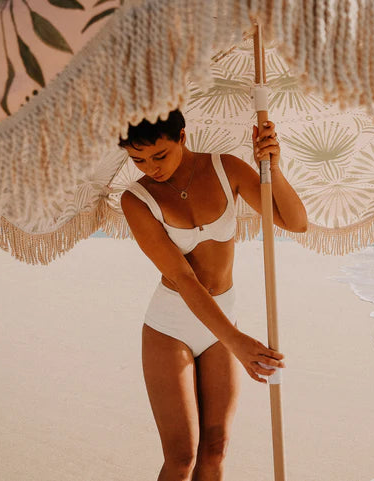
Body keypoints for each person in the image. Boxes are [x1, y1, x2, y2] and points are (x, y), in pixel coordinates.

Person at [119, 109, 307, 481]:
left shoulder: (226, 168)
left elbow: (295, 222)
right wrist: (235, 340)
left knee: (216, 449)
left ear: (182, 136)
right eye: (138, 160)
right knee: (181, 456)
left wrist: (272, 167)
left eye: (160, 155)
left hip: (222, 319)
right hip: (171, 326)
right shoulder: (136, 199)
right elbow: (183, 277)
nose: (151, 168)